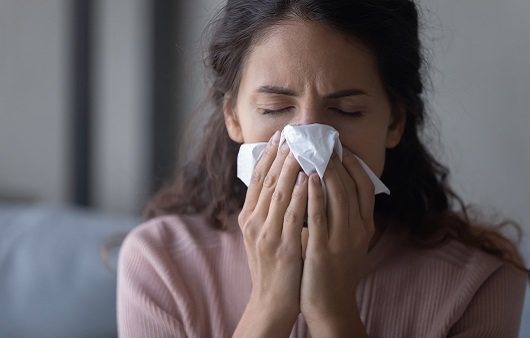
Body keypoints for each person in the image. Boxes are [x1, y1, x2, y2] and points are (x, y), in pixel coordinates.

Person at [116, 0, 529, 337]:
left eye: (346, 110)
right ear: (234, 119)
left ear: (393, 122)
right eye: (275, 109)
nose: (308, 143)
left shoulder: (478, 285)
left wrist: (333, 312)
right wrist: (270, 305)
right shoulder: (161, 265)